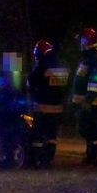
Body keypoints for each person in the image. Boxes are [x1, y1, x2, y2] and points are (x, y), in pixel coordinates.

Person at [27, 39, 69, 168]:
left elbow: (31, 82)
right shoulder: (60, 67)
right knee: (52, 135)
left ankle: (38, 159)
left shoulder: (41, 68)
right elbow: (64, 88)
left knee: (38, 135)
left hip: (42, 107)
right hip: (57, 108)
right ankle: (49, 158)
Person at [71, 28, 97, 166]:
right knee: (86, 128)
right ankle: (91, 155)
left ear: (86, 41)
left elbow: (95, 81)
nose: (80, 43)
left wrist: (88, 100)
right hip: (85, 101)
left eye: (82, 40)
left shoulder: (95, 58)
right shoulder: (88, 58)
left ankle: (94, 156)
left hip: (90, 102)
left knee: (89, 129)